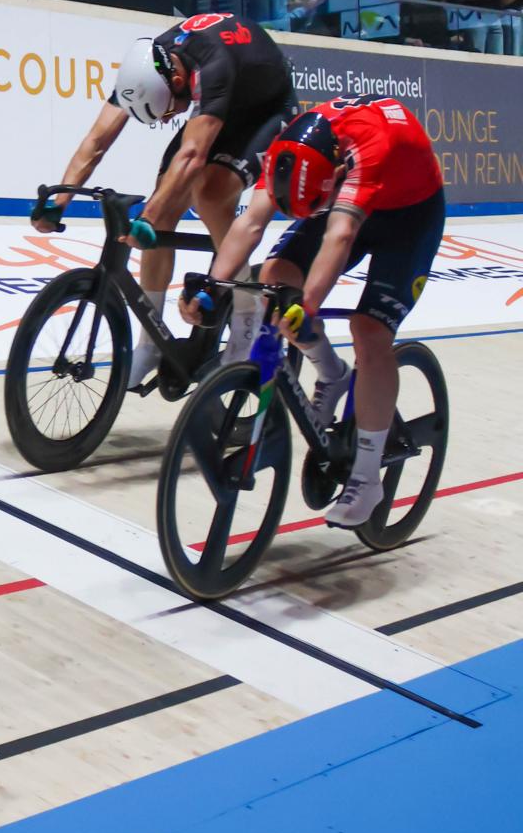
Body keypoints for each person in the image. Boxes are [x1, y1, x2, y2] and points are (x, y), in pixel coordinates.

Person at [180, 94, 445, 528]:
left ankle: (365, 476)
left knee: (369, 331)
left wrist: (307, 306)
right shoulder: (293, 148)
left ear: (338, 172)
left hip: (408, 217)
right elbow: (249, 223)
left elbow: (339, 236)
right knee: (275, 276)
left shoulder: (367, 147)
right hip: (339, 196)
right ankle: (331, 372)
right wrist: (213, 285)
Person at [32, 14, 298, 388]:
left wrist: (147, 215)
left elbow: (191, 155)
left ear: (177, 82)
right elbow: (96, 142)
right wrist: (57, 201)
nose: (165, 120)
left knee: (210, 193)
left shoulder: (212, 65)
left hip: (266, 111)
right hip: (218, 107)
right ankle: (150, 343)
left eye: (168, 111)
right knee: (161, 207)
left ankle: (246, 310)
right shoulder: (142, 71)